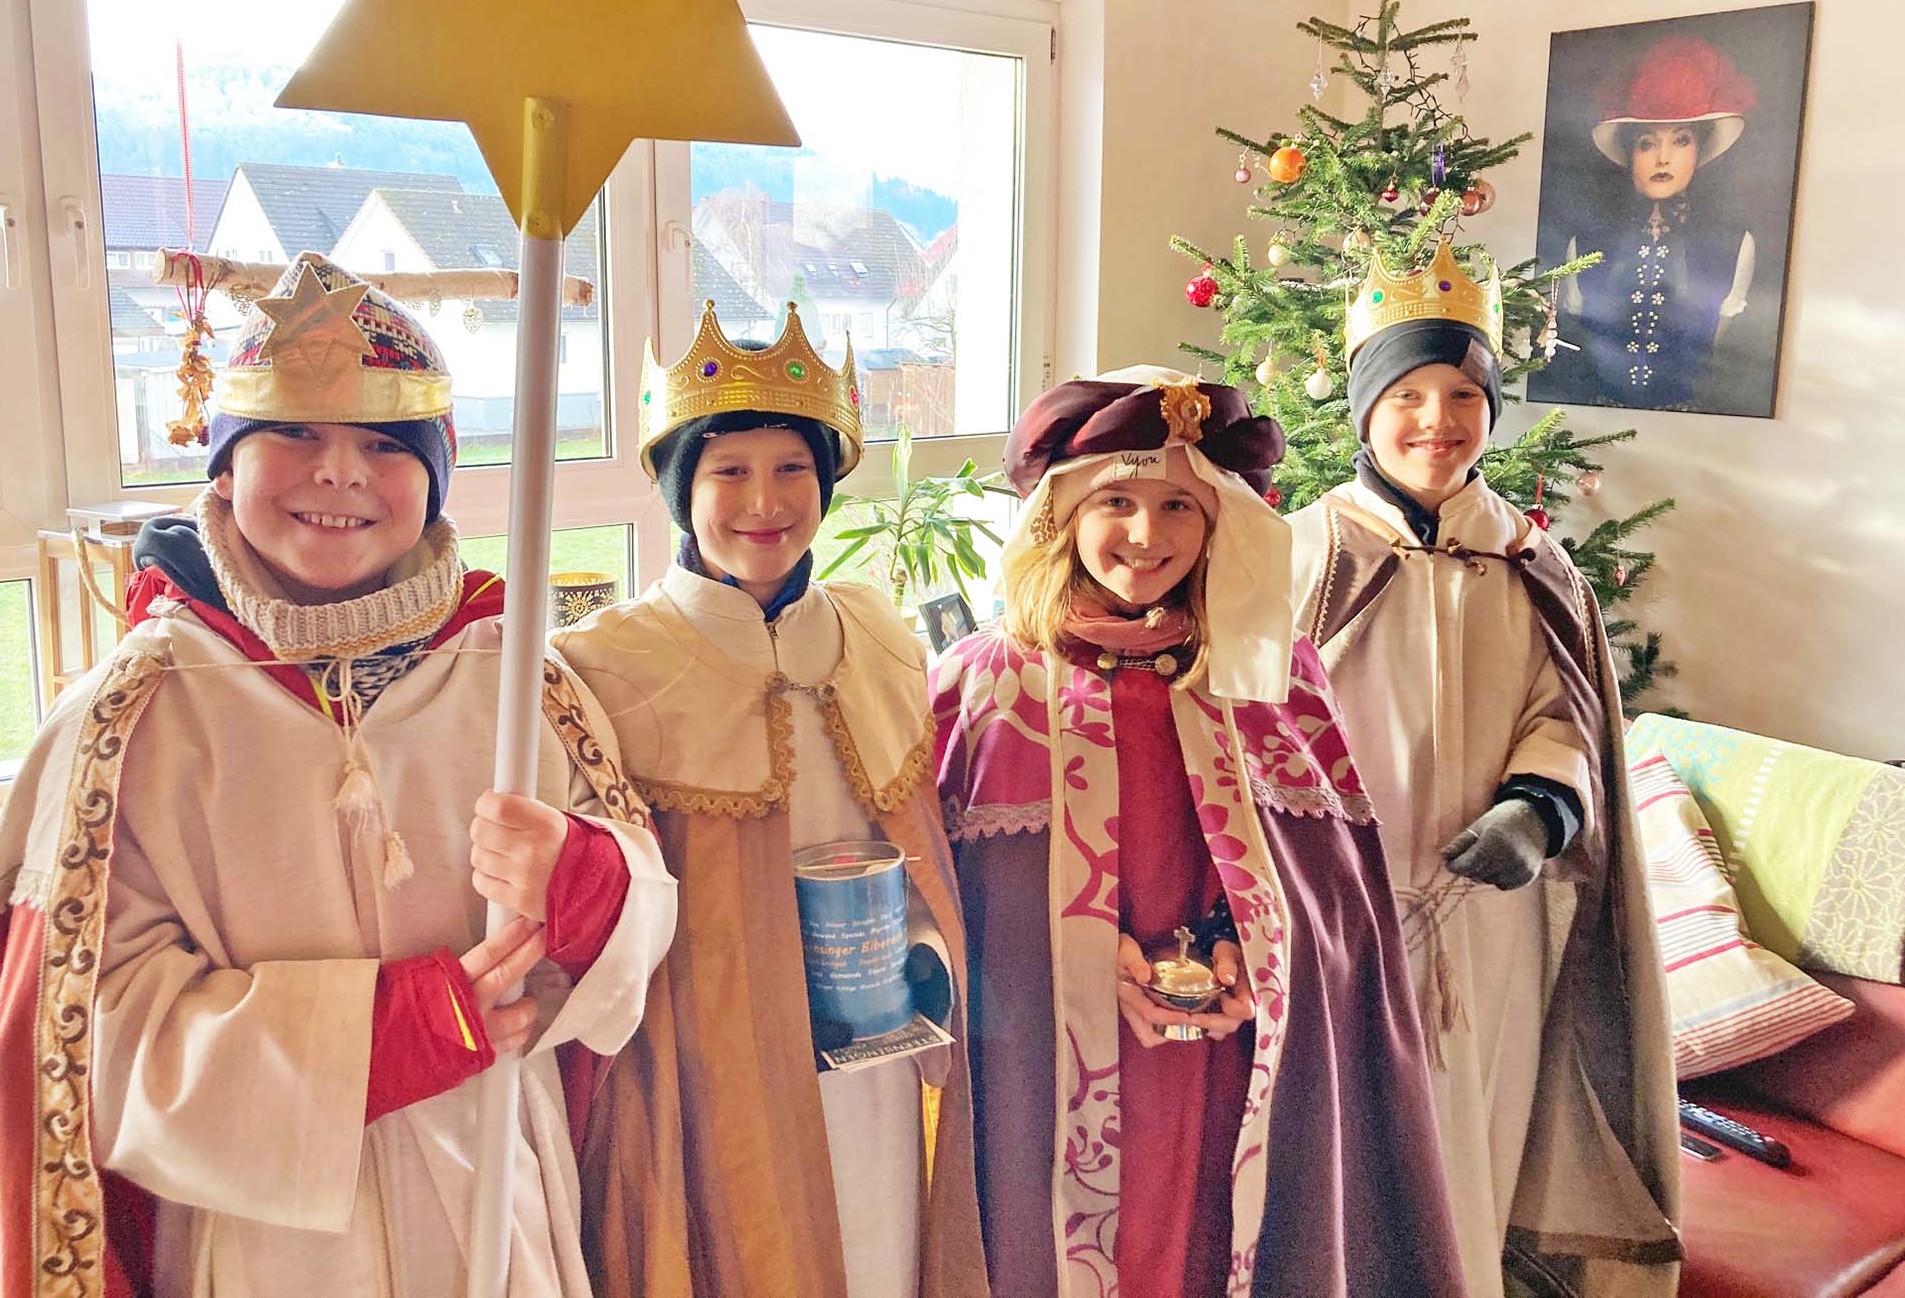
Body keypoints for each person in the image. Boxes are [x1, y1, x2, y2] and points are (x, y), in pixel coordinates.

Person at [0, 253, 676, 1297]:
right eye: (295, 432)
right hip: (269, 1235)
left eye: (387, 444)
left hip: (495, 1181)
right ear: (224, 468)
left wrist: (587, 881)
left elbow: (639, 916)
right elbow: (95, 1037)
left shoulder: (515, 676)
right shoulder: (137, 718)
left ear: (435, 478)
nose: (341, 472)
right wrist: (391, 1035)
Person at [934, 365, 1466, 1297]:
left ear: (1220, 519)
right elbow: (940, 908)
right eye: (1116, 502)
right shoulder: (988, 683)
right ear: (1064, 516)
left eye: (1178, 505)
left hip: (1231, 1053)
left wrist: (1246, 952)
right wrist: (1079, 957)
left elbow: (1338, 902)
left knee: (1209, 1244)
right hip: (1042, 1065)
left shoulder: (1275, 674)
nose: (1147, 535)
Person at [558, 300, 989, 1298]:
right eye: (728, 471)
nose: (765, 500)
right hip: (706, 1064)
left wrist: (923, 964)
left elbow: (922, 841)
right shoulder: (605, 666)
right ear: (681, 488)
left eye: (793, 467)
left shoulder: (878, 635)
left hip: (871, 1054)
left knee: (877, 1245)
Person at [1288, 240, 1681, 1296]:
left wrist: (1536, 809)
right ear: (1365, 410)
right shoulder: (1295, 559)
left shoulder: (1532, 562)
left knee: (1474, 1133)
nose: (1438, 420)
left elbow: (1567, 715)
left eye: (1463, 394)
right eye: (1407, 395)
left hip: (1486, 921)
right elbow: (1241, 729)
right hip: (1335, 917)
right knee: (1337, 1151)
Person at [1553, 34, 1758, 409]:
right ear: (1630, 153)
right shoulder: (1585, 243)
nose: (1663, 158)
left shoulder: (1733, 244)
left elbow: (1716, 353)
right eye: (1647, 143)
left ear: (1699, 150)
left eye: (1681, 141)